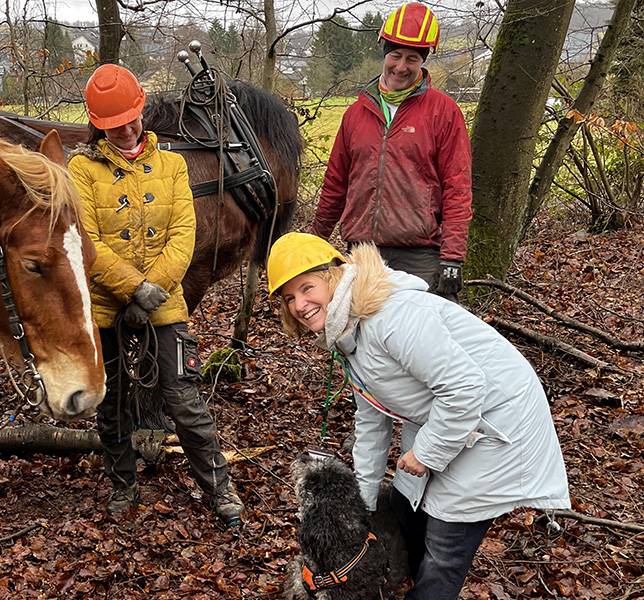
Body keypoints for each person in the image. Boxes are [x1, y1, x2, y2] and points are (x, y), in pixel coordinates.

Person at [267, 231, 571, 600]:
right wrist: (363, 507)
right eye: (289, 298)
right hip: (452, 419)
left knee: (445, 544)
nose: (300, 304)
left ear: (332, 275)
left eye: (306, 287)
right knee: (404, 508)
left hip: (499, 424)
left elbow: (465, 387)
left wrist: (426, 453)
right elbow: (371, 422)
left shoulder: (392, 317)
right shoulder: (347, 333)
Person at [67, 63, 244, 527]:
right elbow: (88, 242)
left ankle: (219, 488)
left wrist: (153, 292)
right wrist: (131, 289)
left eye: (130, 118)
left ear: (141, 111)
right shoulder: (82, 170)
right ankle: (123, 485)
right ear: (96, 125)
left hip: (165, 303)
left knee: (183, 397)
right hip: (105, 305)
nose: (125, 130)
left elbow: (184, 234)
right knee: (113, 400)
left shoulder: (172, 164)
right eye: (112, 125)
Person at [309, 2, 472, 300]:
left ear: (423, 61)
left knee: (422, 340)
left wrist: (452, 258)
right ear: (384, 53)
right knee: (361, 339)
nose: (401, 66)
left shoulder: (443, 112)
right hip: (362, 253)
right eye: (395, 55)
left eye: (412, 58)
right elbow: (335, 184)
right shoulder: (356, 113)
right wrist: (315, 240)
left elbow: (457, 188)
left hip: (420, 255)